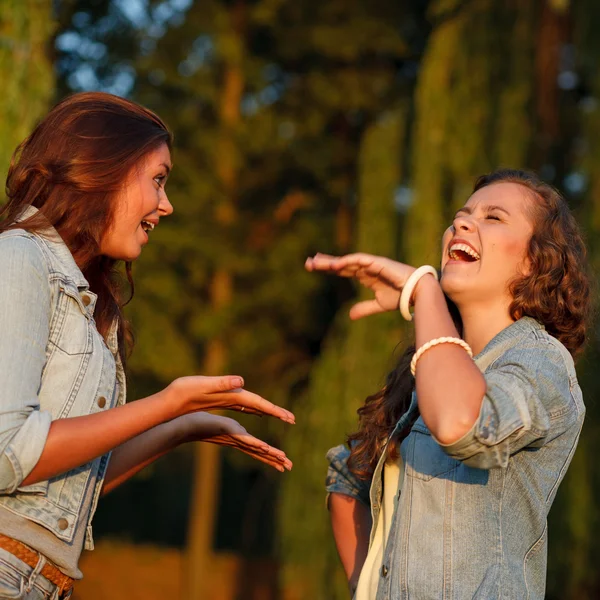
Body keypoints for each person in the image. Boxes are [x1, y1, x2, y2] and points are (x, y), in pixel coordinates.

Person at [0, 91, 294, 600]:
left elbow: (71, 483)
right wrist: (167, 401)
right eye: (158, 179)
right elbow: (7, 453)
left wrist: (182, 425)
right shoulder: (20, 258)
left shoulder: (93, 303)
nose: (167, 204)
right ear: (102, 168)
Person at [306, 169, 590, 599]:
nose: (462, 223)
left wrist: (425, 290)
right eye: (462, 215)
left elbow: (461, 423)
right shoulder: (430, 368)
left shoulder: (540, 361)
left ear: (535, 260)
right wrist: (368, 588)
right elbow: (347, 474)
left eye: (493, 217)